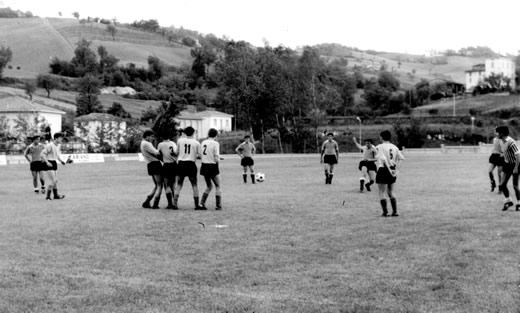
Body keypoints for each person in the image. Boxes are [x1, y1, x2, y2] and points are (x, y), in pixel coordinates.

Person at [375, 130, 404, 217]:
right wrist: (397, 171)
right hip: (393, 170)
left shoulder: (379, 147)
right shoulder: (394, 147)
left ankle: (385, 212)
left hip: (383, 169)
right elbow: (401, 159)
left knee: (381, 192)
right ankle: (395, 212)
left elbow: (382, 159)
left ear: (381, 137)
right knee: (391, 192)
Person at [173, 126, 201, 210]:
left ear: (185, 133)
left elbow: (176, 153)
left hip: (181, 164)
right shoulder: (196, 143)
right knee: (194, 185)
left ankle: (175, 204)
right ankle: (196, 205)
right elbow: (199, 155)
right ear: (193, 133)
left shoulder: (180, 141)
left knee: (179, 184)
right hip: (191, 164)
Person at [496, 126, 520, 211]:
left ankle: (518, 203)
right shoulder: (501, 141)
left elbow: (518, 155)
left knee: (515, 186)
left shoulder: (511, 142)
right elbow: (504, 152)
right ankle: (509, 201)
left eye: (498, 132)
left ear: (502, 133)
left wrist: (516, 168)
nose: (496, 134)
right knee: (502, 185)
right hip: (507, 164)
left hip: (515, 164)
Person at [199, 128, 222, 210]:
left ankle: (201, 203)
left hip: (204, 166)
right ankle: (218, 205)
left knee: (209, 186)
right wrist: (218, 161)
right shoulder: (215, 143)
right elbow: (216, 157)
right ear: (215, 135)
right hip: (212, 166)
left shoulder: (203, 142)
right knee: (218, 186)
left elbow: (202, 154)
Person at [140, 129, 163, 209]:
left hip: (150, 164)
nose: (152, 138)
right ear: (147, 136)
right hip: (155, 164)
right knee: (160, 185)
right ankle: (155, 203)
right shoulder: (147, 144)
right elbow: (156, 152)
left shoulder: (143, 143)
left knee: (156, 185)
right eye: (151, 136)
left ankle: (147, 201)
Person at [40, 132, 67, 201]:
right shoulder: (50, 145)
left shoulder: (58, 145)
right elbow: (42, 154)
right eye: (60, 138)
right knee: (53, 180)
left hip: (54, 162)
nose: (61, 139)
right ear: (56, 138)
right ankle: (48, 197)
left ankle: (56, 195)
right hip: (49, 162)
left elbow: (57, 156)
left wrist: (61, 161)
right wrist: (47, 162)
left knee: (56, 181)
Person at [157, 131, 178, 209]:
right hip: (174, 164)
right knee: (174, 185)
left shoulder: (160, 144)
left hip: (166, 165)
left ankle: (170, 203)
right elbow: (176, 153)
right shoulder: (173, 143)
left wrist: (162, 159)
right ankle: (175, 203)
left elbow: (158, 154)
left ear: (162, 137)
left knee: (167, 185)